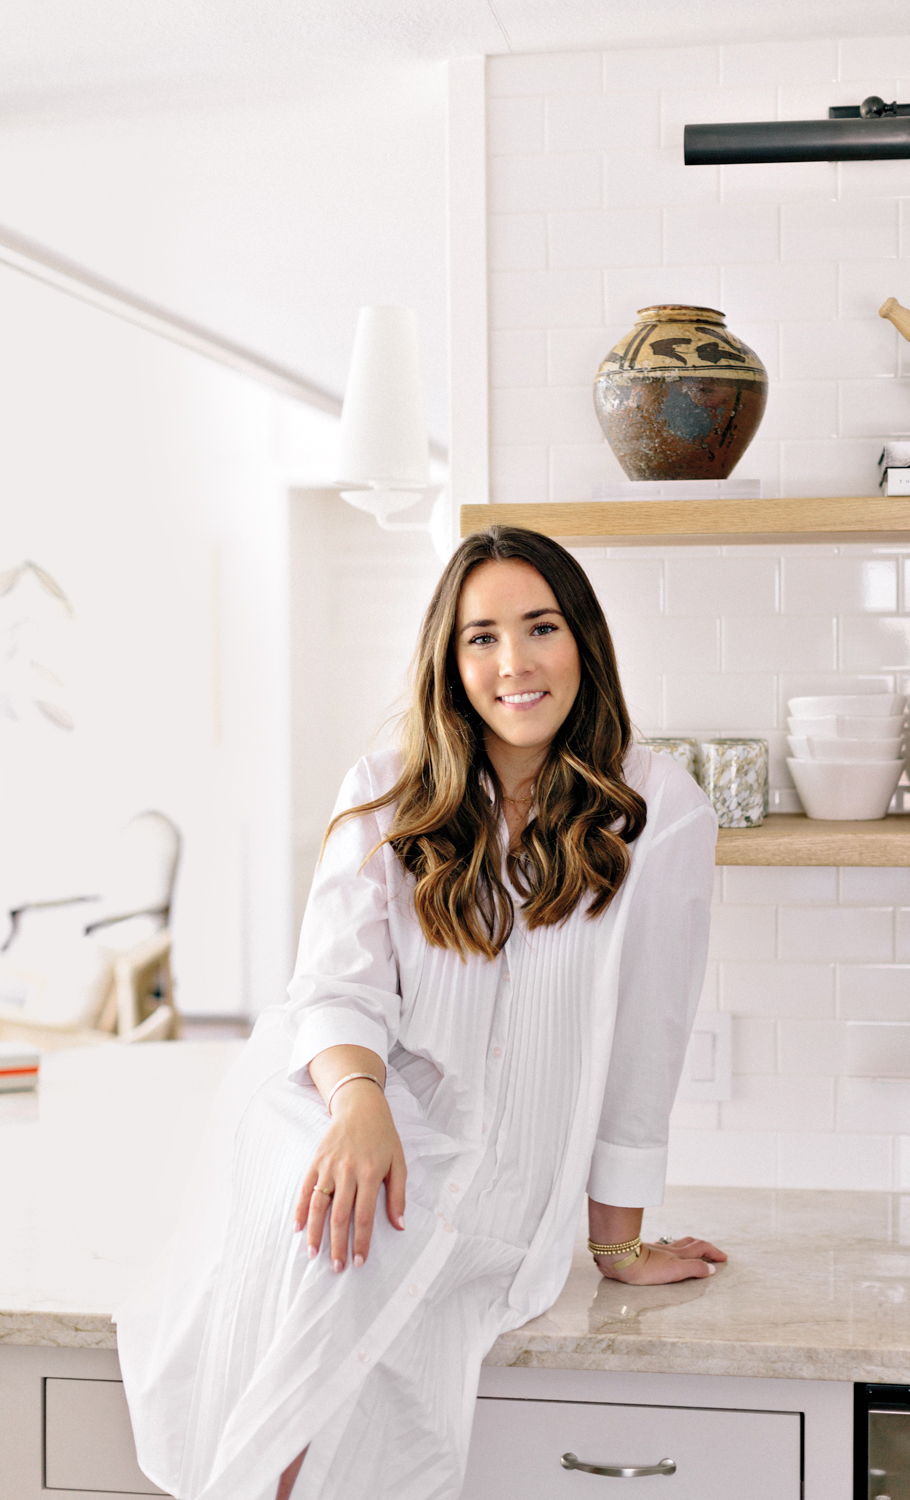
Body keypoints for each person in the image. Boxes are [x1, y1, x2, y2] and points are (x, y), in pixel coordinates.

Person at [115, 525, 724, 1500]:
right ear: (450, 659)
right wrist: (359, 1107)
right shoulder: (386, 792)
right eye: (480, 637)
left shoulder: (658, 810)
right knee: (324, 1229)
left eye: (539, 628)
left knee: (353, 1263)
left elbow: (646, 1042)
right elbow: (333, 989)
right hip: (350, 1113)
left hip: (501, 1189)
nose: (512, 664)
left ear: (585, 643)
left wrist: (614, 1241)